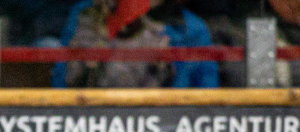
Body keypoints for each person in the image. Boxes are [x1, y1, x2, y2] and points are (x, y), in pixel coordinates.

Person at [52, 0, 218, 88]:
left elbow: (207, 95)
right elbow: (61, 84)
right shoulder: (87, 14)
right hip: (94, 120)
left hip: (161, 125)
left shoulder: (191, 28)